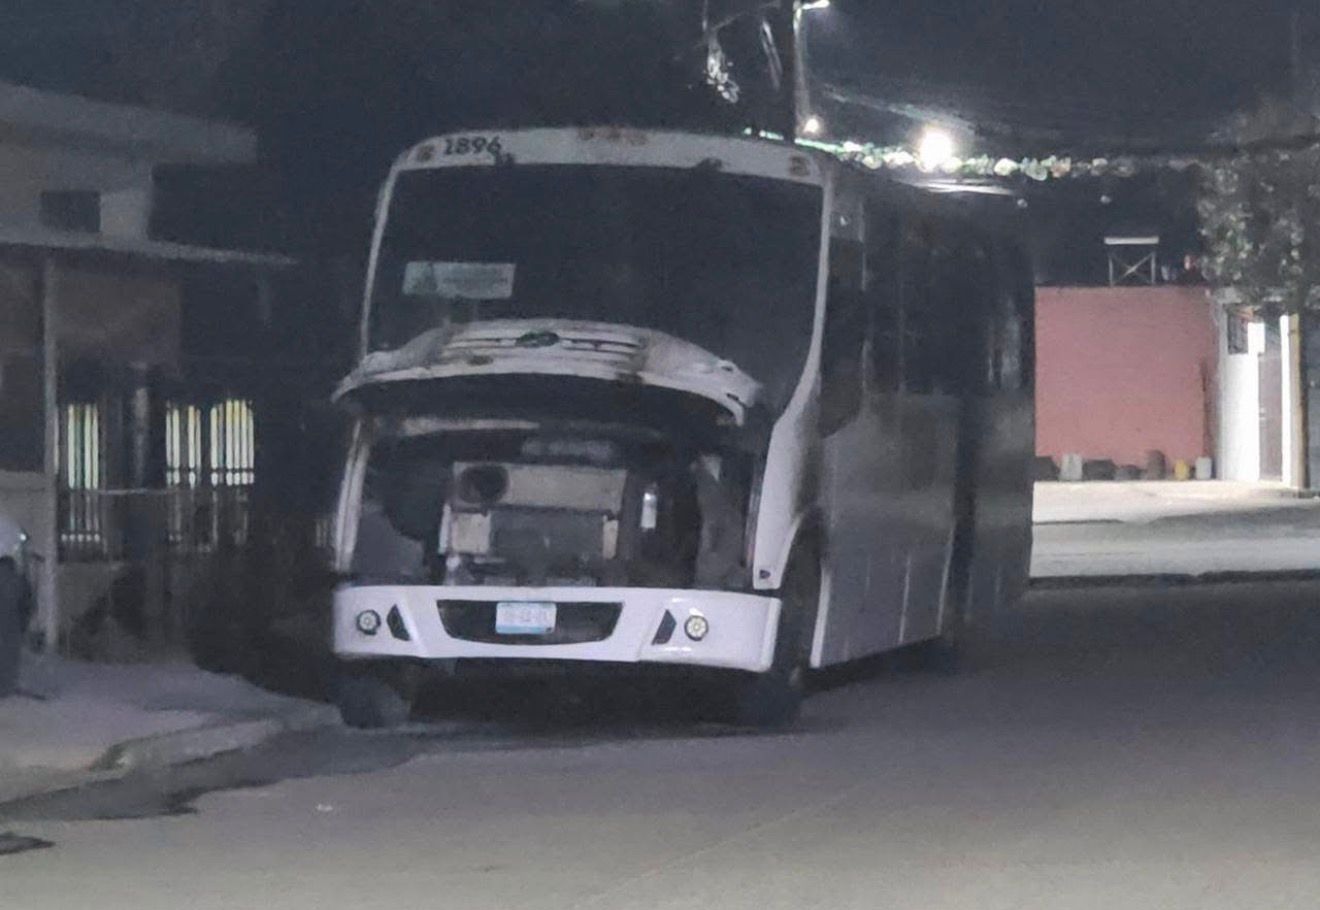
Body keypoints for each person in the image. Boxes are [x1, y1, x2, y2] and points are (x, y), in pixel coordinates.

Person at [0, 513, 34, 697]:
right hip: (12, 621)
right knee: (9, 647)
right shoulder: (10, 524)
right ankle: (6, 686)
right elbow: (28, 605)